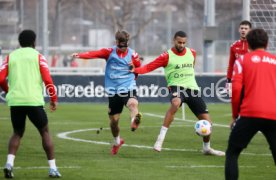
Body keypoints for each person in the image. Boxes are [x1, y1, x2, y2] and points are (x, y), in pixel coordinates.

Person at [131, 31, 225, 156]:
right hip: (177, 87)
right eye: (179, 42)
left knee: (208, 123)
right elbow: (149, 67)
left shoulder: (192, 52)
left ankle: (207, 148)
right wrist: (135, 70)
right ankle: (160, 140)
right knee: (175, 103)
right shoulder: (166, 56)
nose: (181, 45)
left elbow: (191, 66)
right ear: (174, 41)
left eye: (183, 43)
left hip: (192, 89)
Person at [0, 30, 61, 178]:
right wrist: (54, 99)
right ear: (34, 42)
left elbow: (1, 78)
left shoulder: (10, 57)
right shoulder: (39, 57)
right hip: (34, 101)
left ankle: (9, 164)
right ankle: (53, 168)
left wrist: (8, 91)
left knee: (17, 132)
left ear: (19, 42)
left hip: (16, 101)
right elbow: (48, 80)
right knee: (44, 131)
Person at [72, 30, 142, 155]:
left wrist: (134, 71)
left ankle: (134, 121)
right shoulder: (109, 52)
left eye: (124, 46)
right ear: (116, 43)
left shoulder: (133, 54)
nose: (122, 48)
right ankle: (117, 141)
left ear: (127, 43)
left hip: (128, 87)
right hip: (113, 91)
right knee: (114, 122)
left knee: (133, 104)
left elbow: (139, 68)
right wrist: (80, 55)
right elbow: (94, 54)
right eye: (120, 46)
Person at [225, 29, 276, 179]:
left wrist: (235, 115)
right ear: (266, 44)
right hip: (273, 114)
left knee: (232, 153)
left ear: (249, 45)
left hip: (249, 114)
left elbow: (235, 88)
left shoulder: (242, 60)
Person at [226, 20, 251, 91]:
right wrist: (228, 79)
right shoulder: (234, 46)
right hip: (238, 78)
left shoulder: (253, 45)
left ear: (250, 30)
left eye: (246, 29)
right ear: (239, 30)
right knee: (236, 99)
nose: (243, 30)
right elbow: (231, 64)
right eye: (242, 28)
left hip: (250, 78)